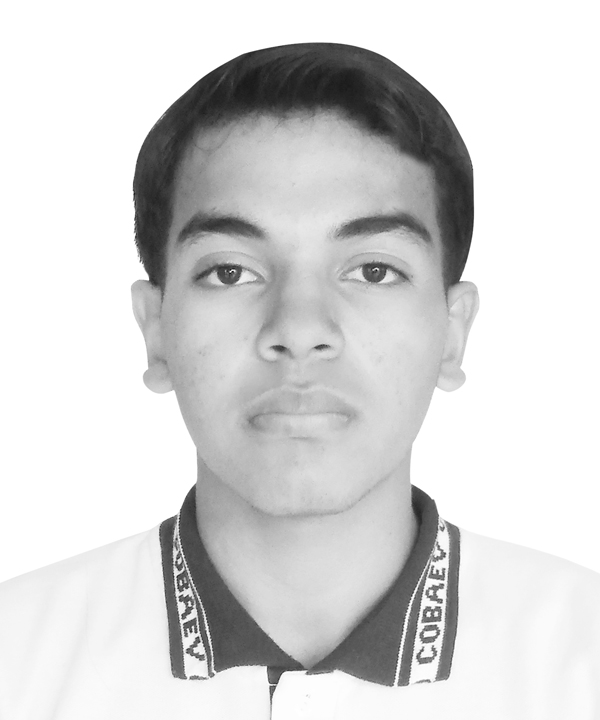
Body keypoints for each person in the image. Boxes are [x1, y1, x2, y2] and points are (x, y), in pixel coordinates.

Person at [0, 42, 598, 720]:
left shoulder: (582, 665)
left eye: (373, 271)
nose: (300, 328)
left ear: (452, 332)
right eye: (230, 272)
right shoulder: (17, 665)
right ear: (156, 328)